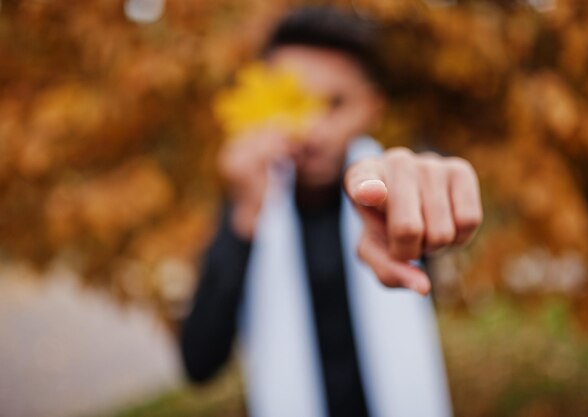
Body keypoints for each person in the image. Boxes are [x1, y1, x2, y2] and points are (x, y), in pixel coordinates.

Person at [181, 6, 482, 417]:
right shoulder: (250, 207)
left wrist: (430, 190)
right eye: (294, 103)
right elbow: (199, 363)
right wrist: (245, 214)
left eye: (335, 103)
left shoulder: (391, 197)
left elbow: (410, 182)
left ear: (371, 107)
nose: (312, 129)